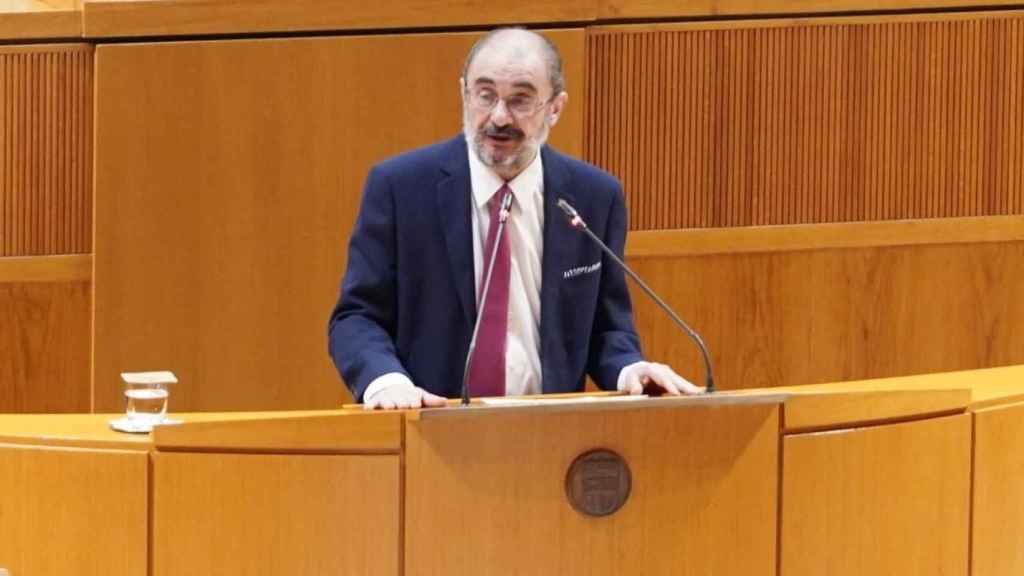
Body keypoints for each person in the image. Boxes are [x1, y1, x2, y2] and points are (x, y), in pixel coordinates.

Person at [328, 27, 702, 409]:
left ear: (555, 108)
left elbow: (607, 329)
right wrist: (387, 382)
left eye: (520, 100)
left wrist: (629, 368)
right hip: (431, 429)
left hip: (550, 438)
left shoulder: (593, 197)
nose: (499, 117)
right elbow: (357, 317)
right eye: (485, 95)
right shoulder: (401, 188)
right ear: (464, 94)